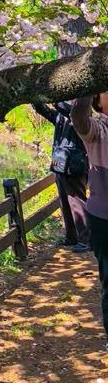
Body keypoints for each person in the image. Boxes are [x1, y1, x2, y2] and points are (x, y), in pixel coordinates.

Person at [71, 93, 108, 343]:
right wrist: (87, 81)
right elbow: (78, 118)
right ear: (98, 100)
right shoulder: (98, 130)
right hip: (104, 217)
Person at [32, 101, 90, 252]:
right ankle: (71, 237)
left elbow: (70, 111)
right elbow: (45, 111)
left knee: (77, 202)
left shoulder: (81, 116)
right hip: (59, 162)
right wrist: (35, 100)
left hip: (75, 163)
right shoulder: (59, 117)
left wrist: (56, 101)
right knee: (64, 201)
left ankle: (86, 240)